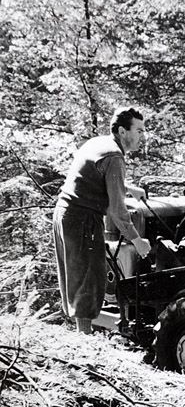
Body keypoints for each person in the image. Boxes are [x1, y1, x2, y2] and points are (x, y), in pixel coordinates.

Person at [53, 106, 151, 334]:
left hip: (65, 213)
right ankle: (84, 343)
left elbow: (92, 178)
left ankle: (82, 337)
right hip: (82, 218)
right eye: (138, 130)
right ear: (122, 131)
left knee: (78, 278)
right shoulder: (115, 157)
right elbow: (117, 211)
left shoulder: (98, 143)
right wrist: (137, 241)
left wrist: (129, 188)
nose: (141, 136)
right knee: (89, 279)